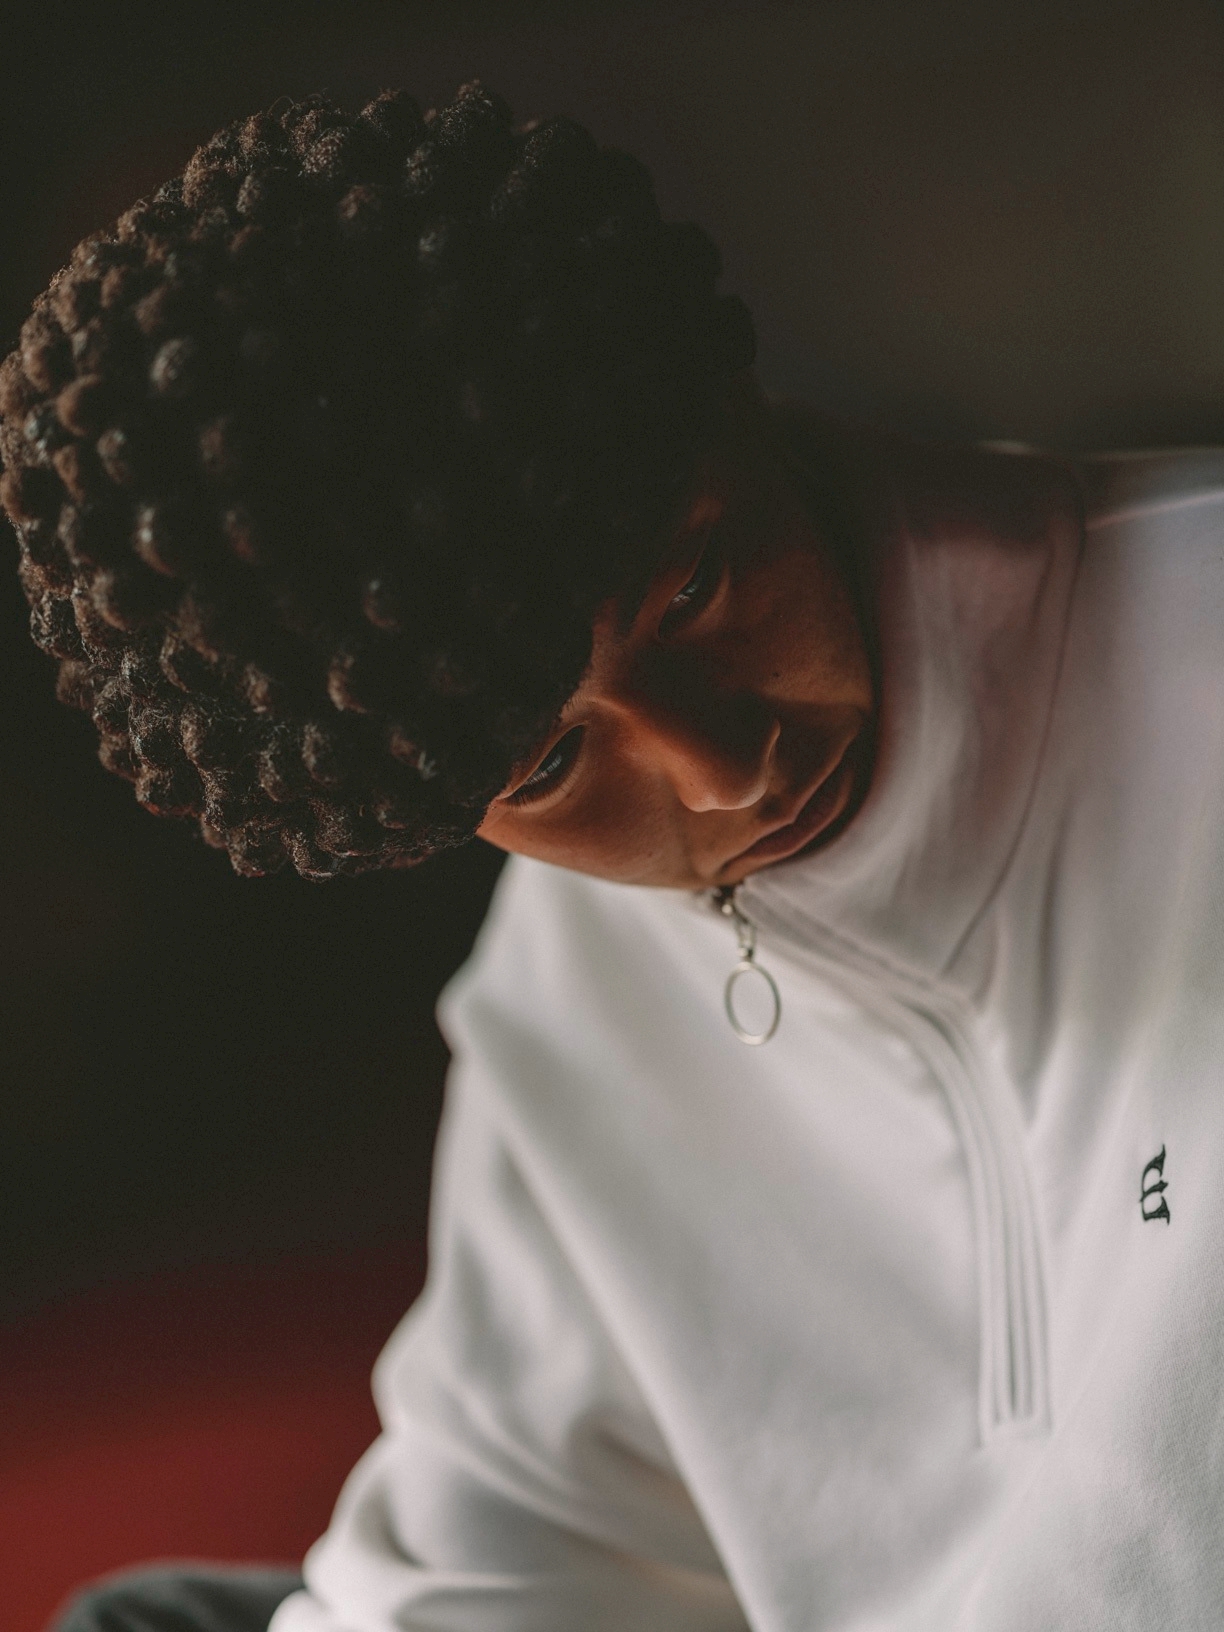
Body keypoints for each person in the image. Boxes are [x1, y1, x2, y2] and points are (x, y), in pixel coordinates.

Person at [7, 82, 1224, 1632]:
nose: (723, 769)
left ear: (733, 398)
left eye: (696, 589)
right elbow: (498, 1540)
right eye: (546, 764)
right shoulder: (565, 980)